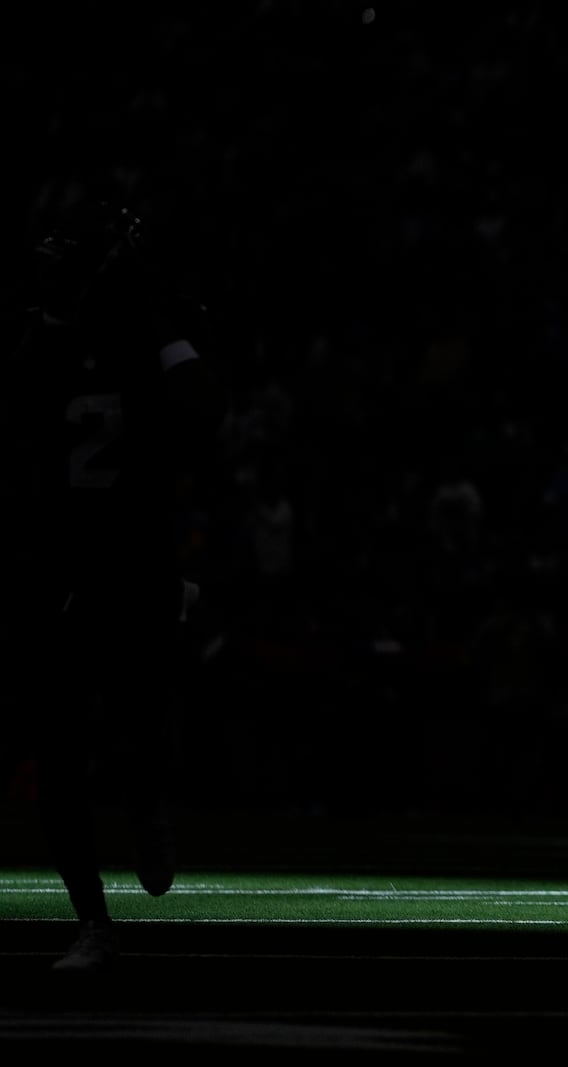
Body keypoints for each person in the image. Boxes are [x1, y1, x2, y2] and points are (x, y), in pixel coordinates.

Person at [0, 197, 227, 972]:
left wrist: (156, 320)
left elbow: (202, 407)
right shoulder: (50, 345)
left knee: (134, 728)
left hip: (130, 562)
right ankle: (94, 920)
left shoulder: (118, 338)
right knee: (58, 756)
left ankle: (147, 802)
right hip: (67, 566)